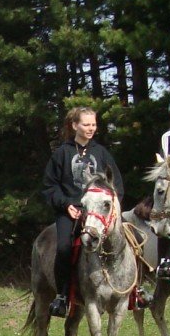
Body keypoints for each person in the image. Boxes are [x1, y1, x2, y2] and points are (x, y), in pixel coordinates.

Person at [43, 106, 123, 317]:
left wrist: (110, 209)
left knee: (131, 239)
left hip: (99, 212)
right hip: (71, 211)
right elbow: (50, 187)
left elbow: (117, 185)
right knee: (63, 248)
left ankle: (135, 290)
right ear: (74, 125)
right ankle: (61, 296)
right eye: (86, 124)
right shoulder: (61, 153)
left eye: (94, 124)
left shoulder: (102, 153)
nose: (91, 129)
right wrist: (66, 205)